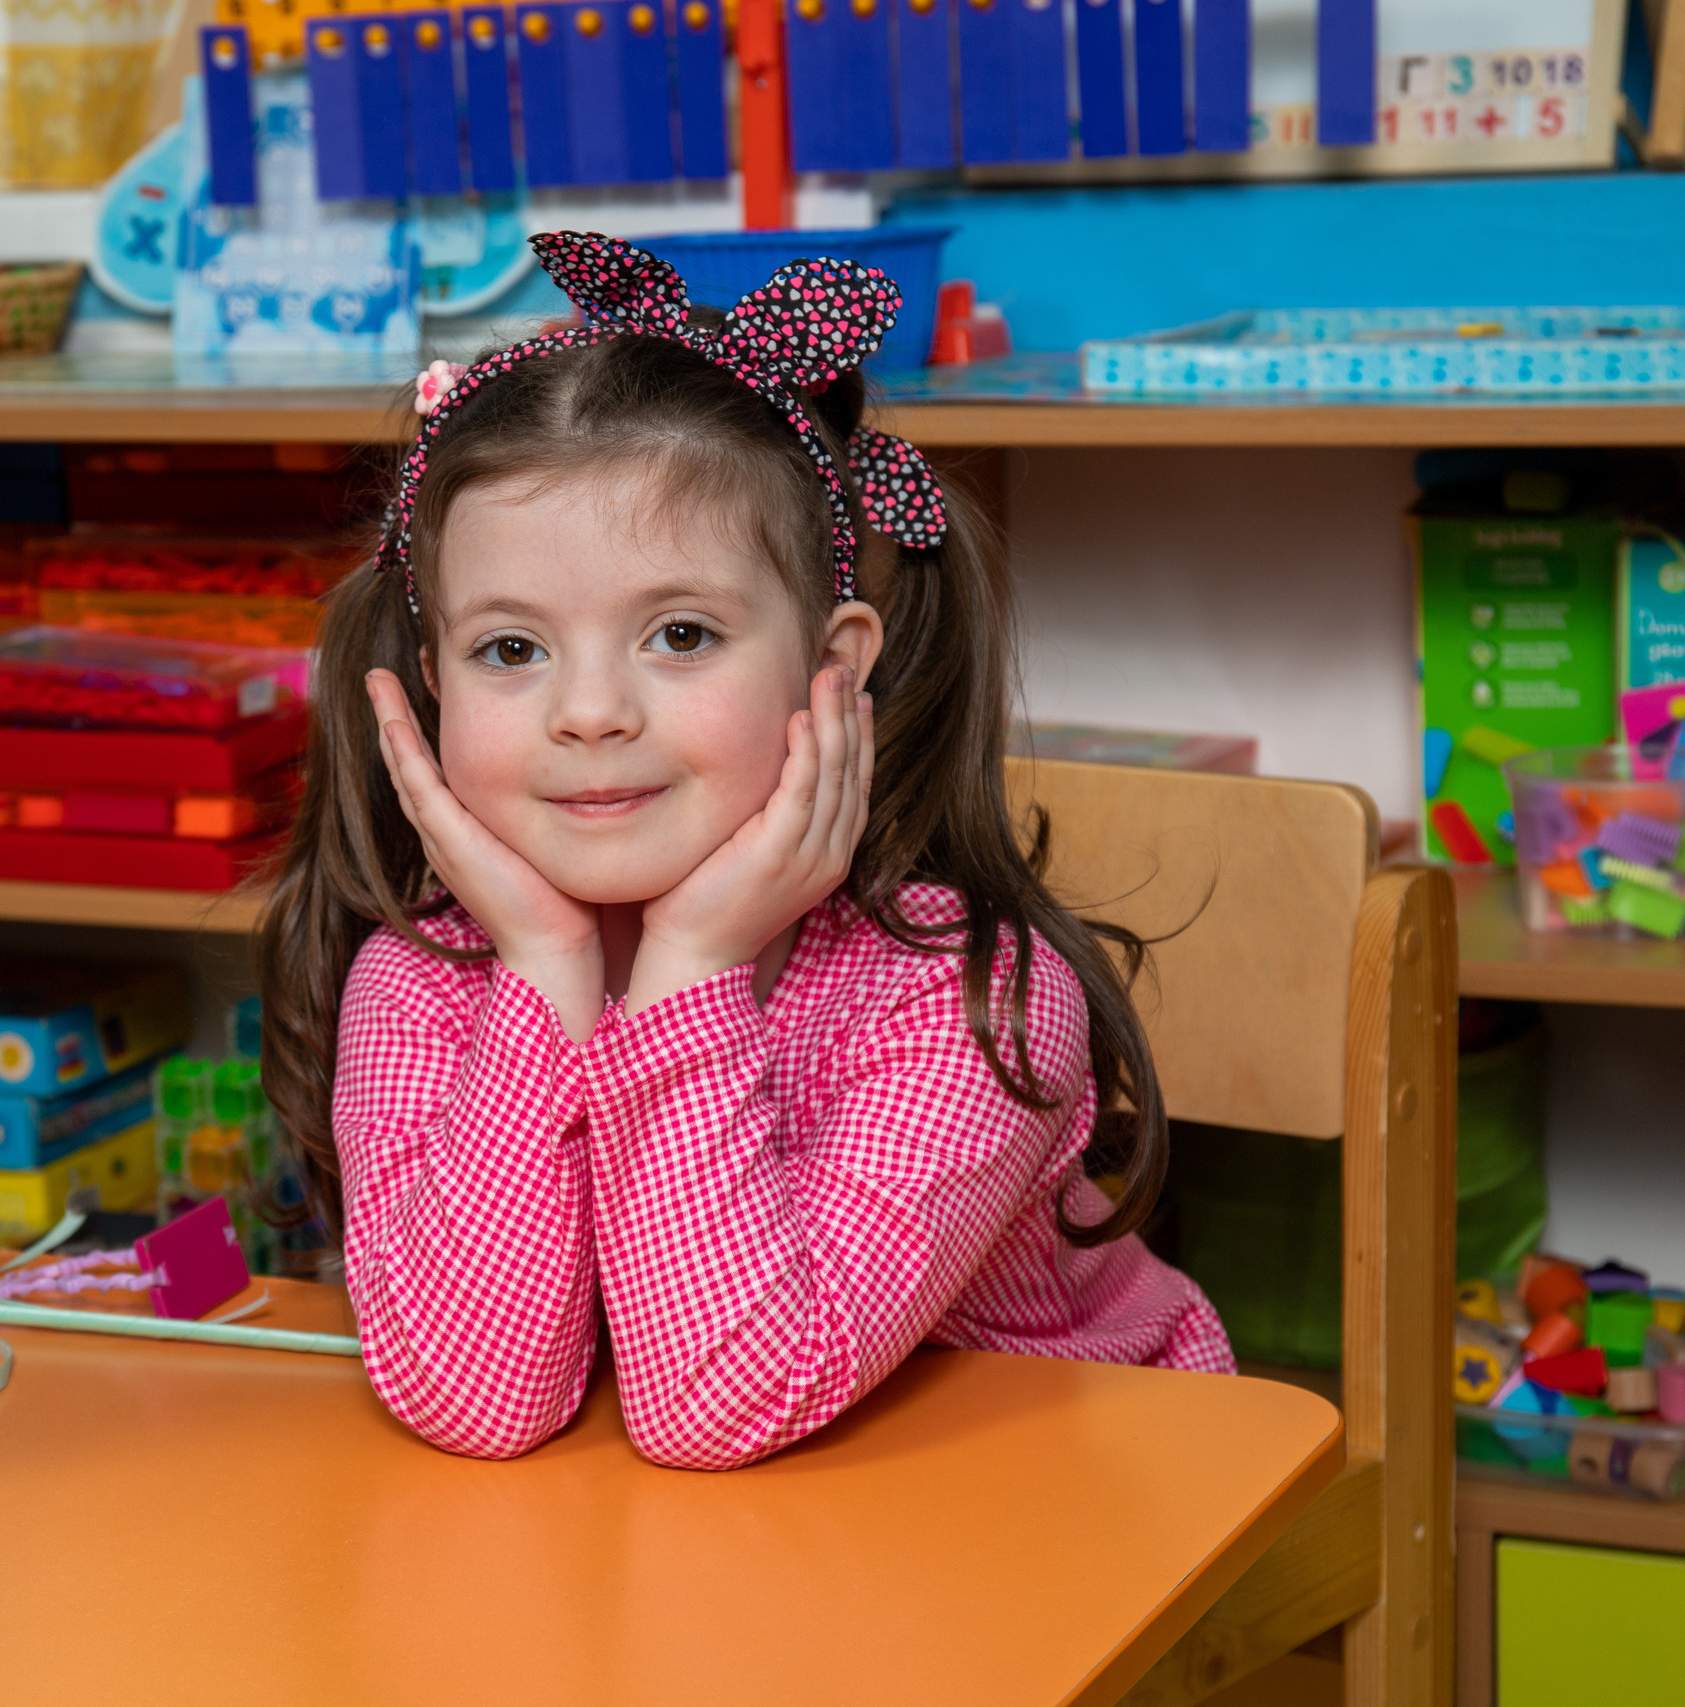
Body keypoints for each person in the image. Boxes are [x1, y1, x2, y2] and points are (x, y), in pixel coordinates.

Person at [257, 232, 1231, 1472]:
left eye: (678, 633)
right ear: (428, 682)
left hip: (1068, 1505)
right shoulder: (428, 980)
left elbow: (717, 1404)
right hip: (700, 1559)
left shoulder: (967, 993)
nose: (590, 711)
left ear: (832, 669)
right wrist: (549, 969)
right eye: (512, 651)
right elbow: (476, 1403)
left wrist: (690, 964)